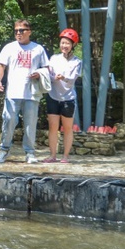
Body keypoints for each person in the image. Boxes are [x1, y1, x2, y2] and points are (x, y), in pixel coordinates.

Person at [0, 19, 49, 164]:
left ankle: (30, 153)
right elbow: (1, 65)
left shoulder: (38, 49)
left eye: (21, 30)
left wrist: (39, 74)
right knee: (9, 121)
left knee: (30, 123)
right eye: (16, 31)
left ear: (29, 32)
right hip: (13, 92)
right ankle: (4, 149)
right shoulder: (9, 47)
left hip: (32, 93)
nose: (18, 33)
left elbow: (46, 68)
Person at [44, 28, 82, 163]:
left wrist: (63, 77)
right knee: (52, 127)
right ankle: (52, 155)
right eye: (62, 43)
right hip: (53, 96)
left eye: (67, 43)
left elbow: (72, 79)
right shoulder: (54, 58)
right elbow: (48, 74)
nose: (64, 45)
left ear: (73, 45)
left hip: (68, 98)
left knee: (67, 128)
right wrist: (50, 77)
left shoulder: (77, 62)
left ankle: (65, 156)